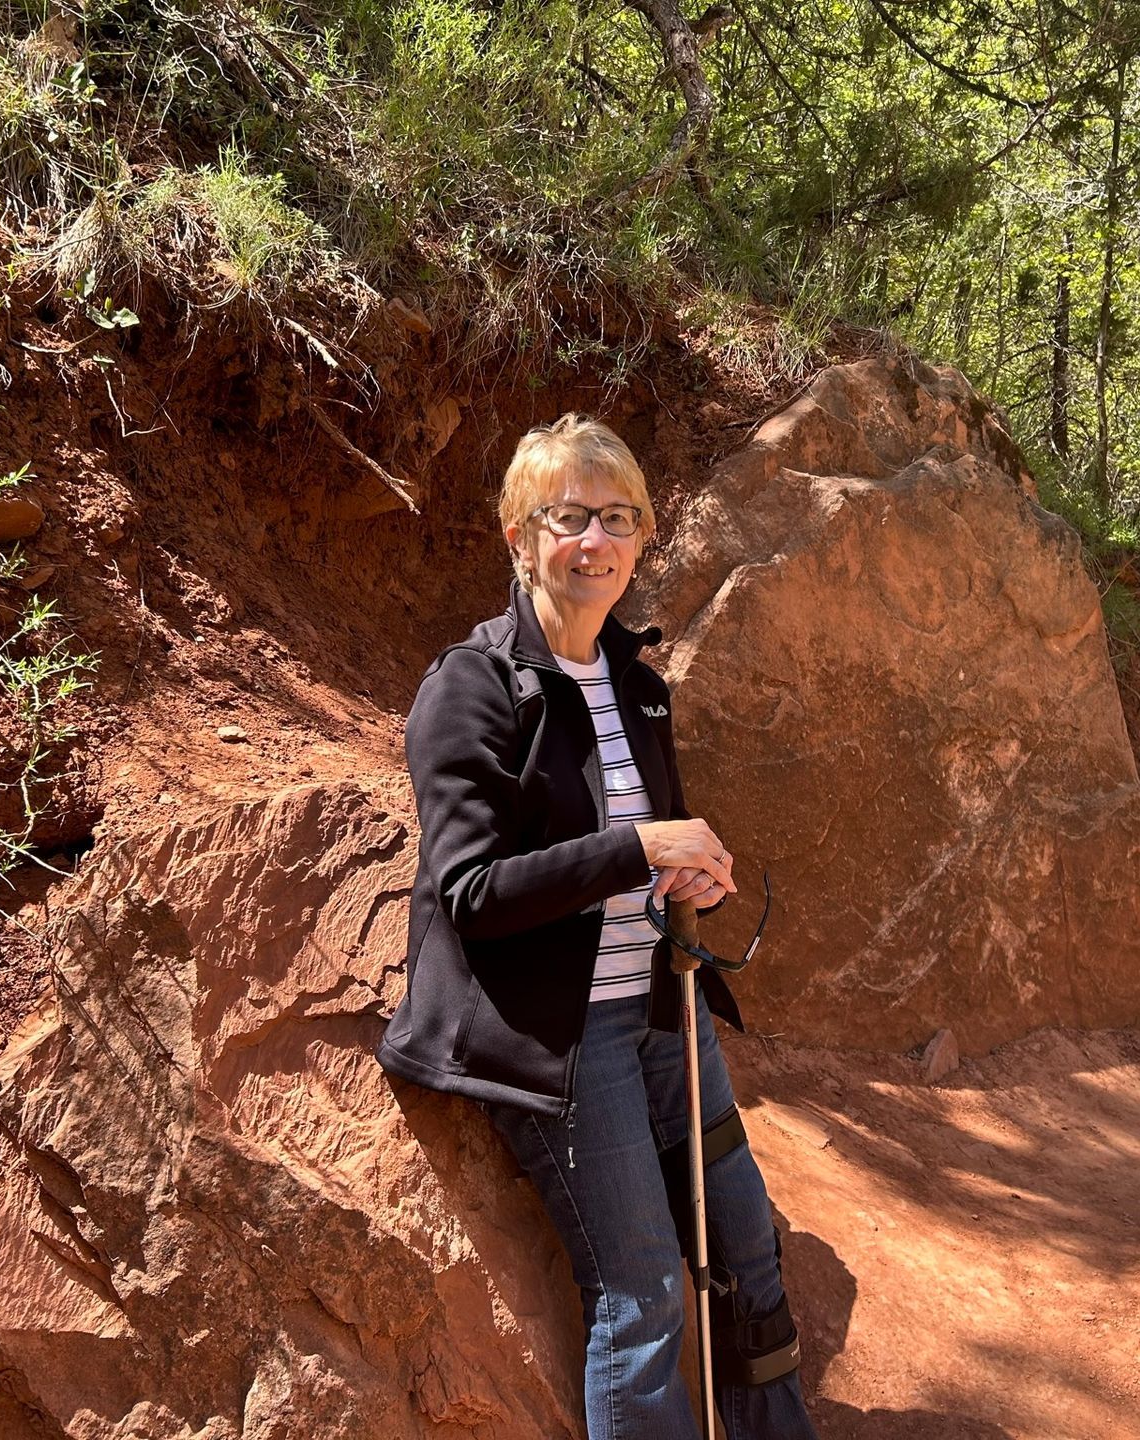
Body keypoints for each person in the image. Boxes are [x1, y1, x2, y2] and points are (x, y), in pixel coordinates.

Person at [379, 414, 819, 1440]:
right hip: (562, 1040)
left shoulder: (637, 686)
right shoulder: (471, 687)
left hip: (667, 1016)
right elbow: (473, 891)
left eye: (618, 517)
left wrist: (688, 881)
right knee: (647, 1296)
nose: (596, 540)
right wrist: (641, 851)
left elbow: (646, 856)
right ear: (519, 536)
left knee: (748, 1251)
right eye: (568, 516)